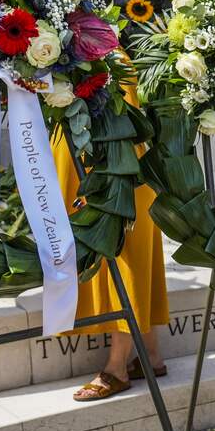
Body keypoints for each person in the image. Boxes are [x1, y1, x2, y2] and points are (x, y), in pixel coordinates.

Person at [60, 57, 170, 401]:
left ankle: (118, 367)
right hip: (91, 169)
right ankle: (151, 356)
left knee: (127, 261)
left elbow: (123, 122)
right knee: (125, 260)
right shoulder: (69, 52)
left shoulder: (109, 57)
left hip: (118, 175)